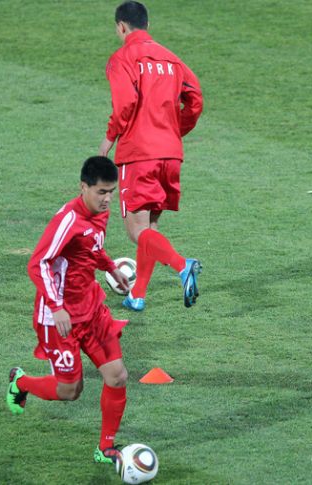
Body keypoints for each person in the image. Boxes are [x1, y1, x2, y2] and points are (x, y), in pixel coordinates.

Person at [6, 156, 133, 465]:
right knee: (69, 391)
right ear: (83, 187)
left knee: (117, 376)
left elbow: (93, 246)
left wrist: (110, 267)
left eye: (111, 192)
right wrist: (57, 306)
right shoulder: (67, 221)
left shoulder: (99, 213)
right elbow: (37, 263)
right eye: (101, 192)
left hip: (91, 308)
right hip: (58, 319)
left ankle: (106, 448)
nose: (107, 199)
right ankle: (20, 382)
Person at [98, 1, 204, 312]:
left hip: (139, 154)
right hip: (170, 155)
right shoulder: (172, 59)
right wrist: (172, 131)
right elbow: (195, 101)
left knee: (136, 230)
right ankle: (138, 294)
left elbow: (126, 102)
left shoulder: (122, 59)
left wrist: (108, 139)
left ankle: (183, 265)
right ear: (147, 24)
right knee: (150, 229)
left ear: (121, 26)